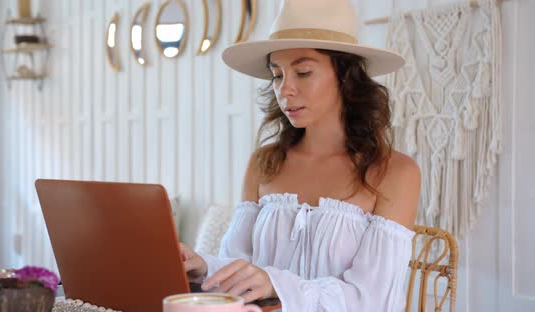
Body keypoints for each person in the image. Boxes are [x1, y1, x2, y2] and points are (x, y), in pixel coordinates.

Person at [180, 0, 421, 311]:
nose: (286, 89)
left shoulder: (395, 172)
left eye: (303, 72)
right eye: (277, 75)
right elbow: (240, 265)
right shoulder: (264, 163)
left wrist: (275, 284)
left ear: (346, 77)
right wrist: (203, 266)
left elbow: (371, 299)